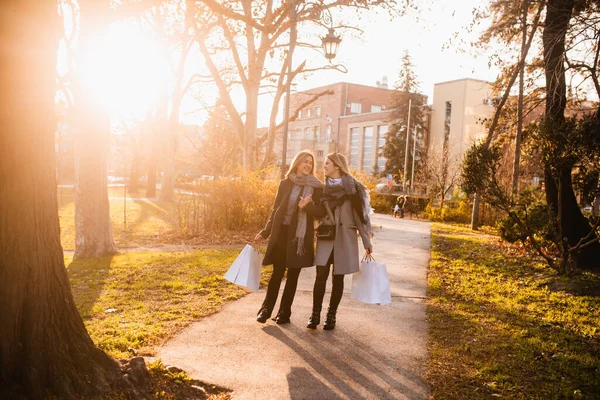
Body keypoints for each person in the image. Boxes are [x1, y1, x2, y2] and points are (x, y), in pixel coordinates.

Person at [254, 150, 323, 324]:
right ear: (297, 163)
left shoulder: (316, 187)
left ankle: (284, 313)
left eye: (311, 163)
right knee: (277, 273)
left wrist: (308, 207)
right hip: (282, 234)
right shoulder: (285, 184)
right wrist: (265, 232)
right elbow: (275, 211)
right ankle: (266, 309)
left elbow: (320, 213)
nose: (308, 165)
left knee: (293, 276)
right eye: (305, 161)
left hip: (300, 238)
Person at [307, 153, 373, 330]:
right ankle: (315, 315)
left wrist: (366, 241)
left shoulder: (353, 189)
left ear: (337, 166)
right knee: (320, 277)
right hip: (326, 237)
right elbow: (319, 213)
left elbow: (360, 217)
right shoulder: (322, 188)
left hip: (345, 239)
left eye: (327, 163)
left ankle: (331, 316)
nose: (324, 166)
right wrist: (307, 206)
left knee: (338, 278)